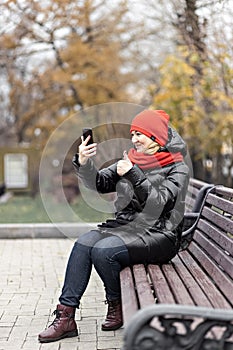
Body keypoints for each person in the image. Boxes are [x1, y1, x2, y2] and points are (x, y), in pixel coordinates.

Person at [38, 109, 190, 343]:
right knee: (84, 243)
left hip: (161, 234)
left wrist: (132, 173)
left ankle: (115, 304)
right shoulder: (131, 160)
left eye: (141, 134)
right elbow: (98, 183)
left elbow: (159, 203)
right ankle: (65, 316)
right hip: (128, 227)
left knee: (104, 250)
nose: (134, 139)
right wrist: (84, 161)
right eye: (133, 134)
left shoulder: (177, 168)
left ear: (156, 138)